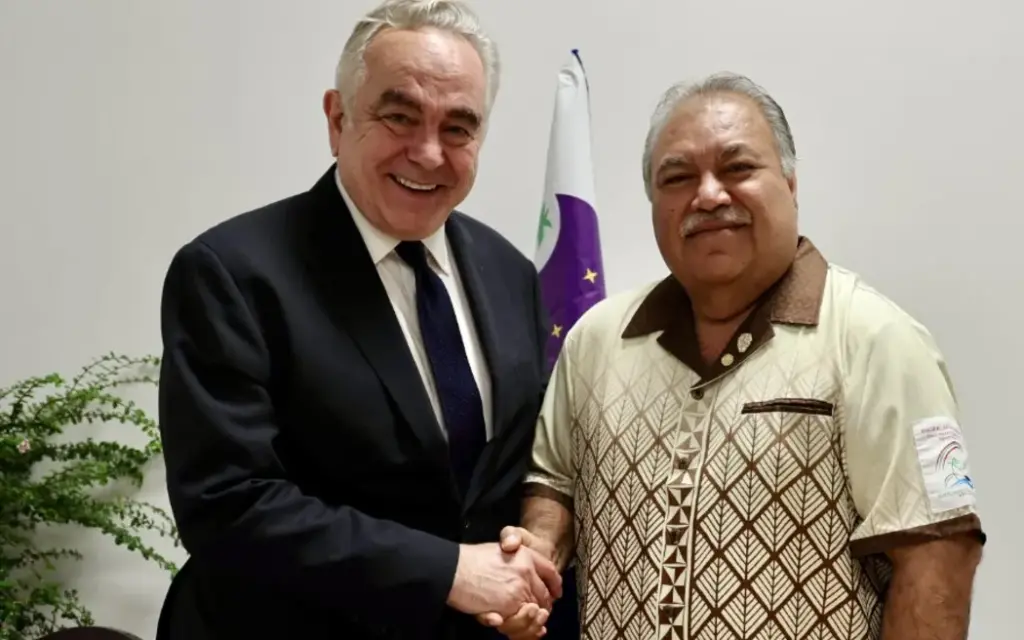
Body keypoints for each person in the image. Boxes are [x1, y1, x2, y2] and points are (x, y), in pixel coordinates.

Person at [495, 72, 986, 640]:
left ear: (791, 183)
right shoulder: (595, 342)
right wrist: (540, 550)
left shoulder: (878, 341)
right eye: (677, 177)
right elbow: (555, 482)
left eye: (737, 168)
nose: (708, 195)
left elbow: (937, 555)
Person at [153, 1, 561, 638]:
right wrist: (448, 571)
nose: (428, 152)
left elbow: (502, 477)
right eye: (399, 116)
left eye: (458, 127)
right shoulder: (232, 274)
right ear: (338, 118)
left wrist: (526, 563)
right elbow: (228, 506)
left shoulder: (510, 274)